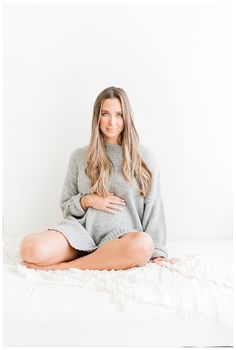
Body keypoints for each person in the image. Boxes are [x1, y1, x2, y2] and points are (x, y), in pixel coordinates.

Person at [20, 86, 175, 271]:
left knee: (144, 245)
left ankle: (63, 267)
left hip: (122, 240)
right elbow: (66, 205)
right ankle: (92, 258)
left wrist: (158, 253)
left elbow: (154, 207)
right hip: (81, 233)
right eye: (105, 114)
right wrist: (89, 200)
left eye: (119, 114)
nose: (112, 122)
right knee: (30, 249)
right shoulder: (79, 156)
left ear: (127, 117)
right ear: (97, 117)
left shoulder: (144, 157)